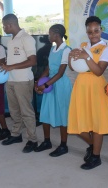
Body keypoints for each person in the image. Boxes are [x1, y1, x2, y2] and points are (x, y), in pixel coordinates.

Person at [68, 16, 108, 170]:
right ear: (86, 31)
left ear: (101, 30)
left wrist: (86, 57)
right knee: (78, 123)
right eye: (90, 31)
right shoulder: (83, 45)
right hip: (81, 86)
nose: (93, 34)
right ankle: (94, 145)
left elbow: (99, 71)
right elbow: (73, 67)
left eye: (96, 31)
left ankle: (96, 156)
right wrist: (70, 57)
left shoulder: (106, 49)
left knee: (96, 124)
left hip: (96, 88)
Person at [0, 14, 38, 153]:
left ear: (10, 25)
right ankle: (16, 135)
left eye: (4, 26)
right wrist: (5, 65)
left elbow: (33, 61)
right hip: (10, 79)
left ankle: (32, 140)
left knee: (26, 111)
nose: (3, 28)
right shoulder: (11, 40)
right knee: (14, 110)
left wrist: (11, 67)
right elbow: (13, 60)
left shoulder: (26, 38)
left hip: (23, 80)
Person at [34, 24, 72, 157]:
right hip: (50, 83)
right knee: (45, 112)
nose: (48, 36)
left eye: (50, 34)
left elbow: (60, 73)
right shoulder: (53, 48)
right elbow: (49, 69)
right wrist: (38, 82)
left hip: (60, 84)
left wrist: (44, 86)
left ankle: (63, 145)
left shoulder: (66, 50)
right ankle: (47, 141)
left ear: (56, 35)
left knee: (62, 114)